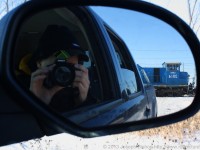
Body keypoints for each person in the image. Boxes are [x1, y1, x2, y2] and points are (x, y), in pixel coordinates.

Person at [28, 25, 91, 112]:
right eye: (60, 65)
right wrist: (36, 103)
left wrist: (81, 101)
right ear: (39, 63)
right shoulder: (16, 88)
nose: (65, 73)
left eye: (72, 67)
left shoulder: (79, 89)